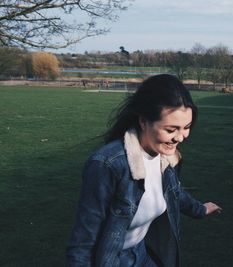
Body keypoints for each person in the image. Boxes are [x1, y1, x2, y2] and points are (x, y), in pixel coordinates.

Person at [66, 74, 222, 266]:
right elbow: (83, 240)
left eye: (186, 127)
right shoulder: (108, 164)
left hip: (142, 254)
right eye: (171, 129)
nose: (180, 138)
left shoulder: (165, 157)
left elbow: (172, 192)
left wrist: (201, 209)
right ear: (143, 121)